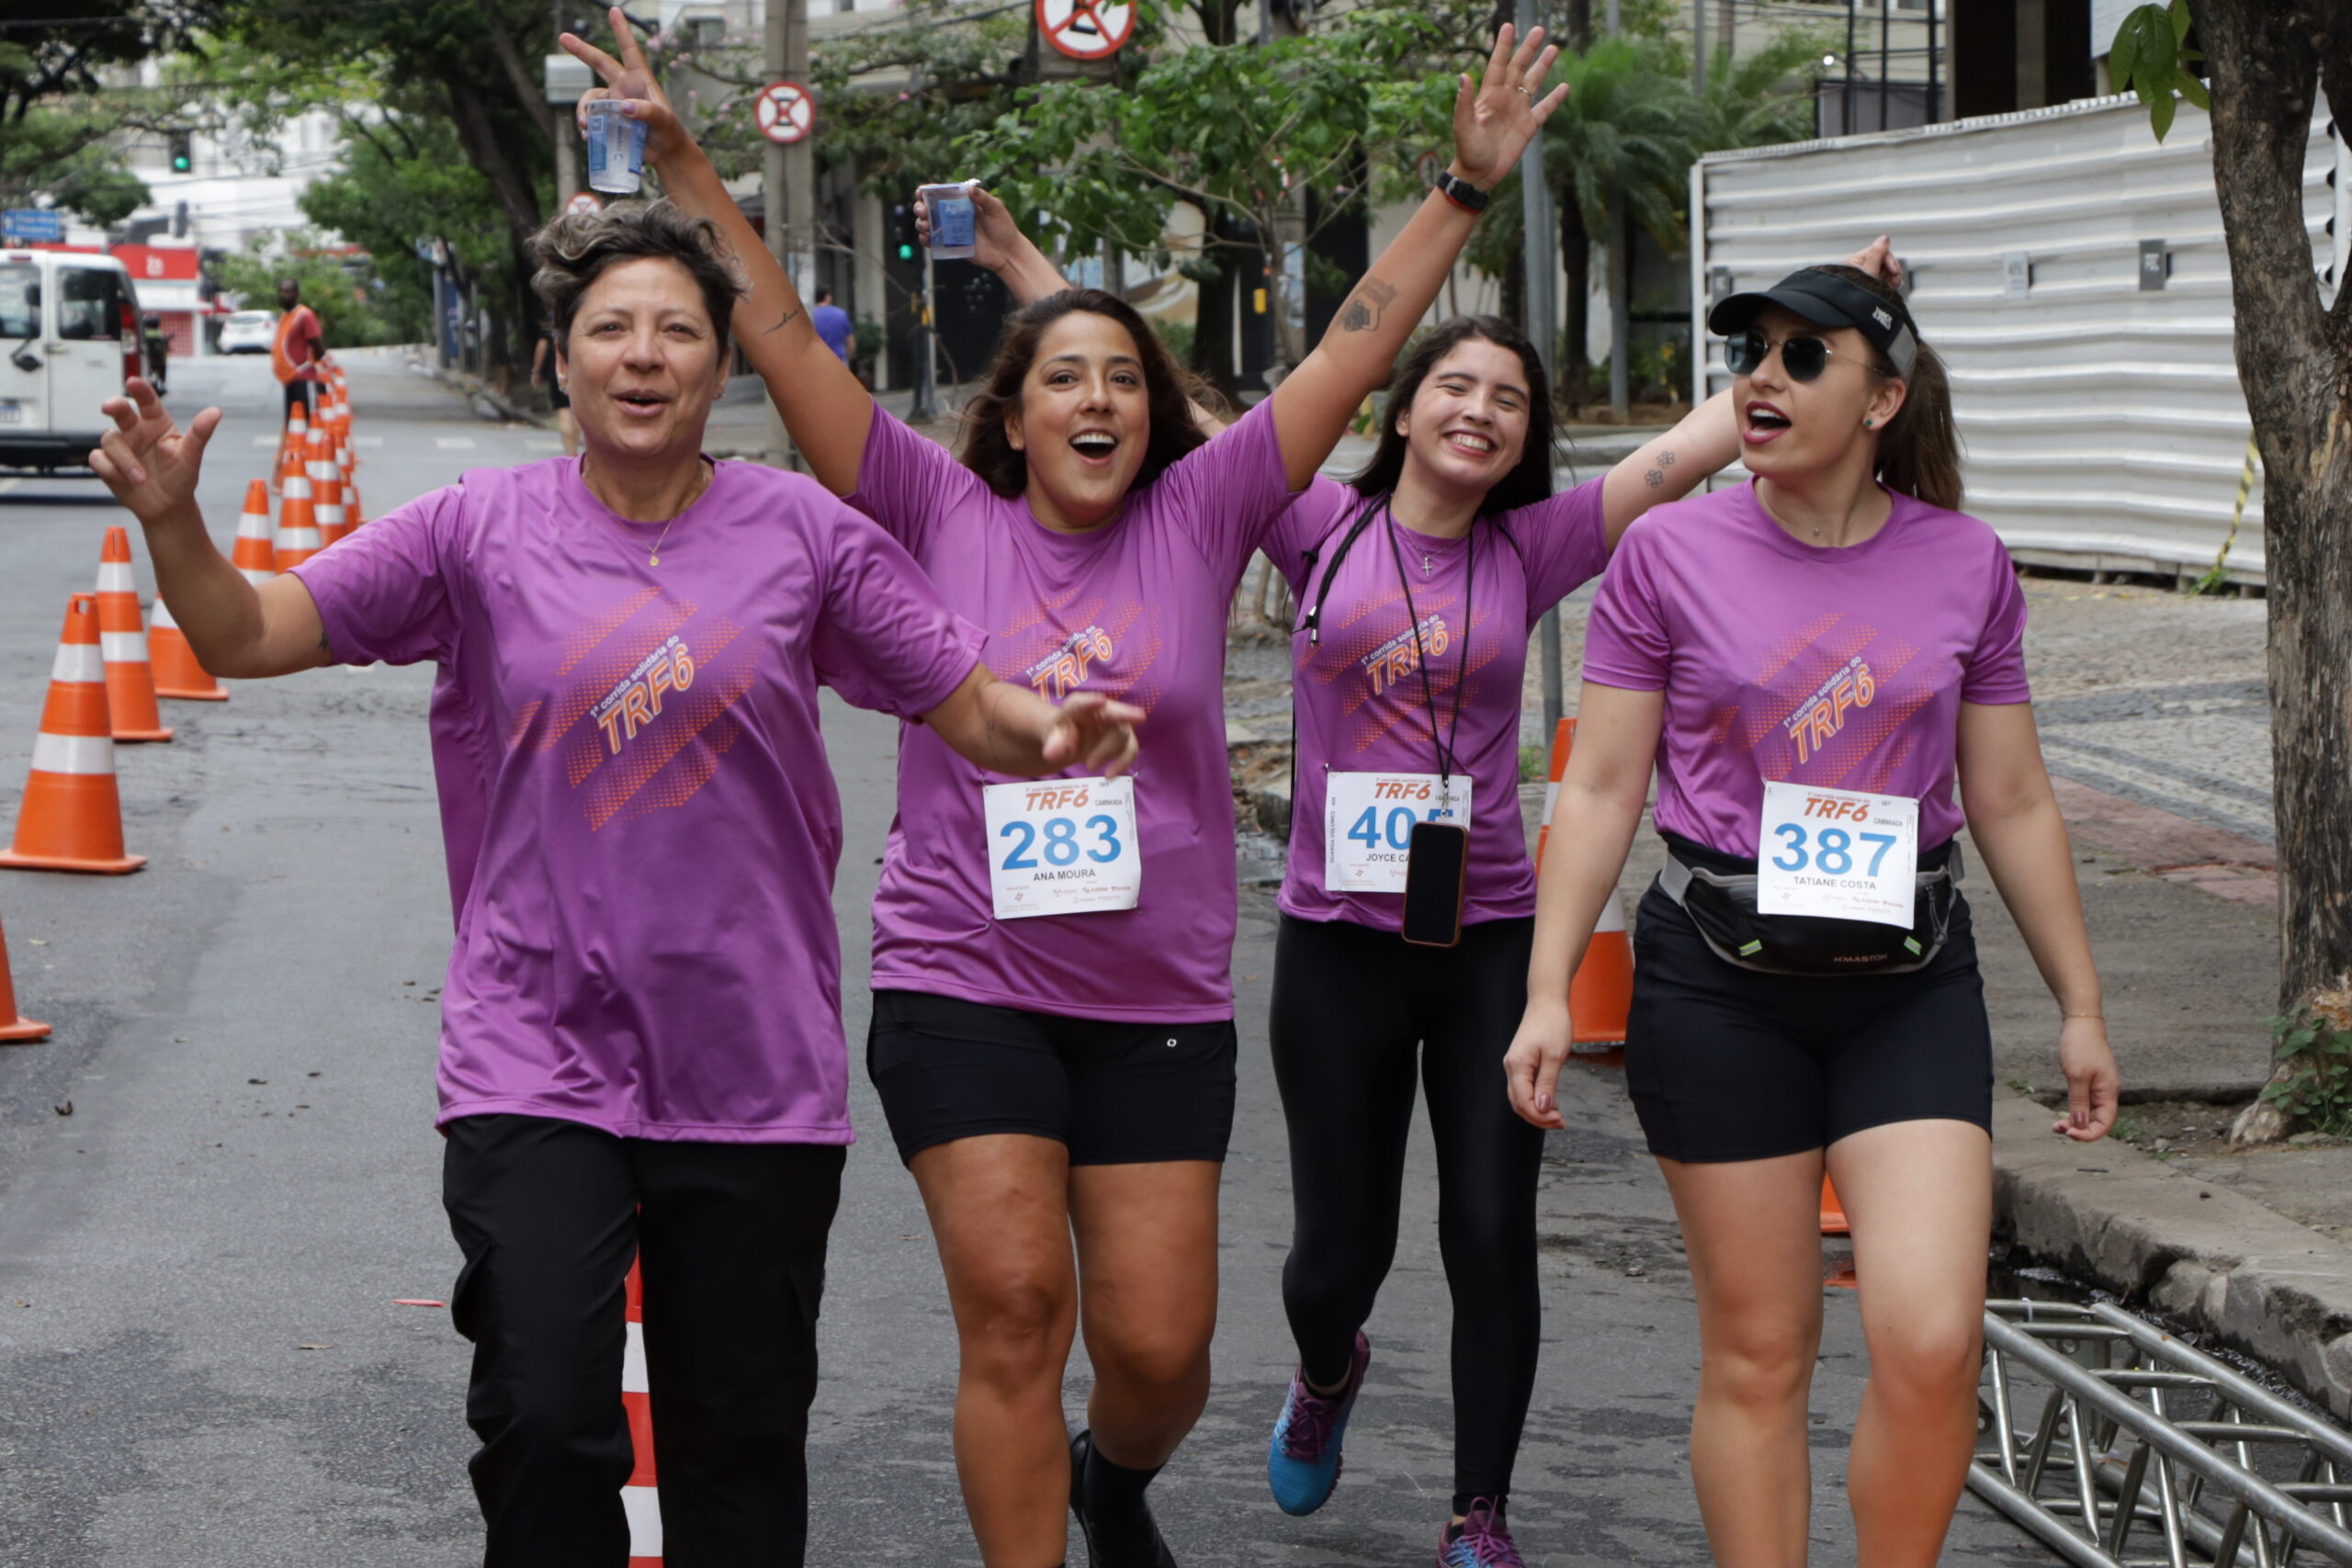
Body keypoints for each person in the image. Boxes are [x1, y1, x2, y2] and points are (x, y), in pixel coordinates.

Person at [561, 11, 1567, 1565]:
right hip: (962, 979)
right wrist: (689, 159)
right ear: (1018, 410)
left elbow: (1355, 348)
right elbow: (785, 344)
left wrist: (1463, 189)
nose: (1095, 398)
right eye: (1063, 377)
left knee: (1159, 1354)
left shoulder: (1209, 508)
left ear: (1147, 412)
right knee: (1020, 1308)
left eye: (1120, 378)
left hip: (1156, 998)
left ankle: (1115, 1477)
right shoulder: (930, 505)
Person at [85, 199, 1140, 1568]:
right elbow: (246, 631)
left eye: (678, 332)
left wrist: (1050, 735)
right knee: (542, 1417)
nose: (644, 356)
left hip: (754, 1065)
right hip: (535, 1052)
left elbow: (971, 702)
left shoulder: (805, 536)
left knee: (737, 1452)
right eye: (611, 330)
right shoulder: (475, 529)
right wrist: (176, 526)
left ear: (721, 365)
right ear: (560, 360)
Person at [960, 188, 1905, 1565]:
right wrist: (1020, 264)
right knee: (1335, 1255)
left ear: (1524, 436)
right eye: (1454, 386)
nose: (1481, 410)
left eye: (1509, 398)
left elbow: (1689, 450)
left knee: (1490, 1229)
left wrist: (1826, 313)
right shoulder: (1310, 524)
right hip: (1336, 944)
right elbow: (1156, 398)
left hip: (1489, 937)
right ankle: (1327, 1366)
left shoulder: (1537, 545)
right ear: (1403, 412)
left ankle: (1479, 1513)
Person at [1503, 262, 2121, 1568]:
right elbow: (1603, 784)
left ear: (1882, 399)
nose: (1760, 379)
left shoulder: (1965, 561)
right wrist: (1550, 988)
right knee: (1762, 1345)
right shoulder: (1668, 552)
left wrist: (2080, 1004)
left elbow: (2010, 797)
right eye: (1751, 354)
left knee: (1932, 1337)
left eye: (1801, 356)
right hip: (1718, 984)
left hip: (1909, 982)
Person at [271, 276, 327, 473]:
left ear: (296, 293)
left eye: (288, 291)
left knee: (306, 420)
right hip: (289, 379)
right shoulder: (284, 317)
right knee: (292, 421)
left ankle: (310, 461)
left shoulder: (304, 316)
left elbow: (317, 345)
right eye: (281, 291)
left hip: (303, 378)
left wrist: (309, 364)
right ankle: (294, 460)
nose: (284, 295)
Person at [531, 320, 582, 457]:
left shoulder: (552, 318)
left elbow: (542, 344)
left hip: (558, 370)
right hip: (579, 366)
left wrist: (536, 370)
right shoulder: (579, 313)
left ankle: (570, 451)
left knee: (563, 409)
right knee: (576, 409)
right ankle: (574, 447)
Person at [809, 286, 854, 368]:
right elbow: (850, 342)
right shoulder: (841, 314)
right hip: (838, 360)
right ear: (827, 297)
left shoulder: (810, 315)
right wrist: (846, 358)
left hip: (816, 362)